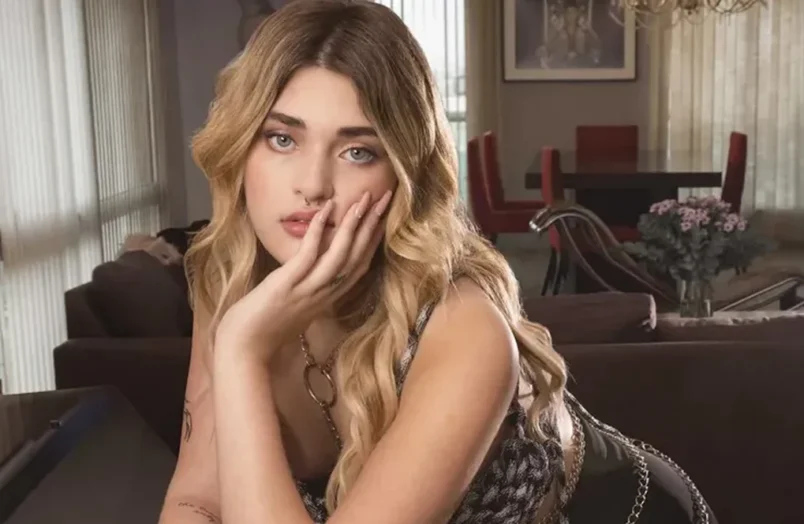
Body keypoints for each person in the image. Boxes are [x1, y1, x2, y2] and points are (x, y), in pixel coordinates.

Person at [158, 1, 717, 523]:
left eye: (358, 151)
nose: (313, 184)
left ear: (405, 173)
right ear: (241, 146)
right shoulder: (231, 280)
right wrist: (241, 341)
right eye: (282, 139)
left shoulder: (461, 327)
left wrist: (240, 353)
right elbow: (196, 497)